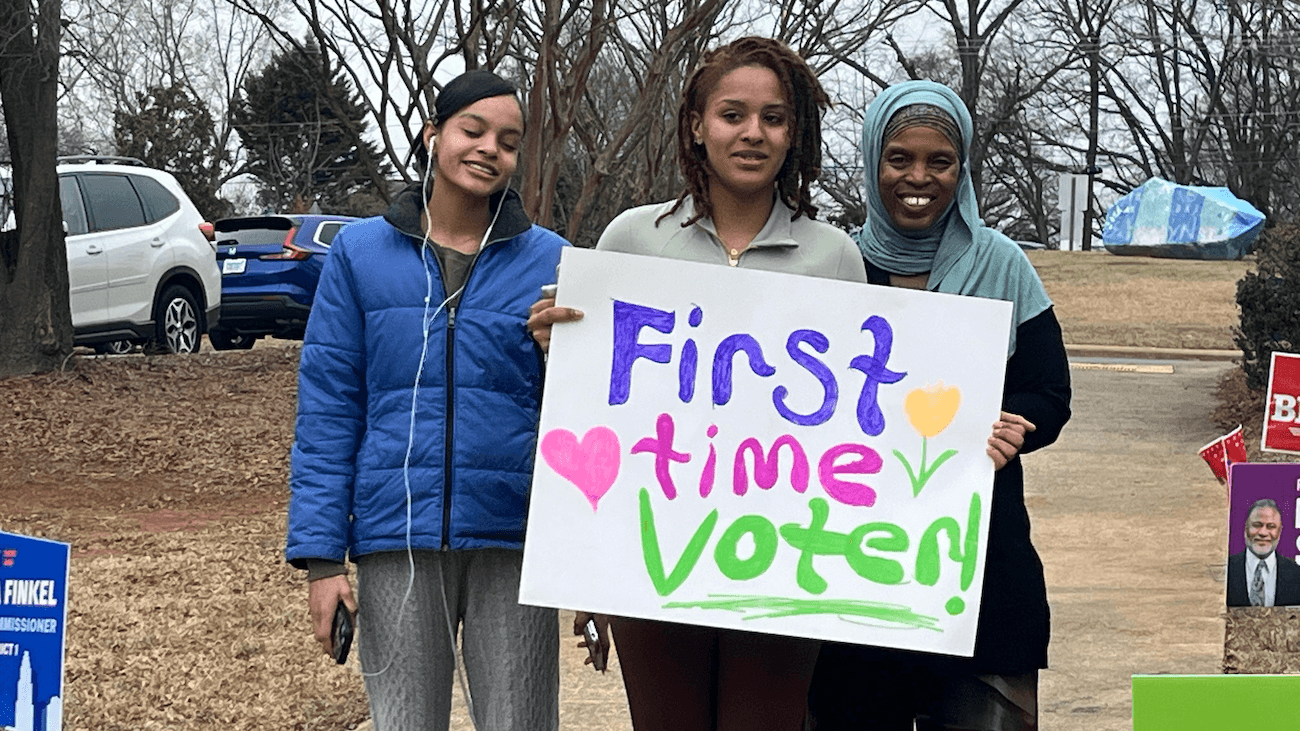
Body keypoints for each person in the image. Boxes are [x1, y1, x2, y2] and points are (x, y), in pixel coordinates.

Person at [527, 37, 867, 731]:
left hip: (788, 557)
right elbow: (595, 408)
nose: (752, 133)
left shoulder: (835, 256)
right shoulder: (630, 239)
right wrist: (556, 349)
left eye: (773, 118)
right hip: (651, 554)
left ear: (793, 132)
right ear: (696, 124)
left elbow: (862, 424)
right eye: (732, 114)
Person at [285, 69, 568, 731]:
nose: (488, 148)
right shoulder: (359, 254)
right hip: (395, 540)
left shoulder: (552, 260)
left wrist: (561, 356)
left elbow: (587, 418)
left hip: (514, 540)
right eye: (473, 130)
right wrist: (323, 561)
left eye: (507, 139)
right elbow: (329, 408)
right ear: (433, 133)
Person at [807, 80, 1072, 731]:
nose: (918, 177)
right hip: (852, 571)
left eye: (940, 161)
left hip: (980, 570)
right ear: (873, 161)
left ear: (963, 166)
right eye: (900, 158)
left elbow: (1049, 390)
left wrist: (1020, 425)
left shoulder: (1003, 265)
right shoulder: (835, 264)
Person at [1227, 498, 1300, 607]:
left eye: (1271, 527)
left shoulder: (1296, 574)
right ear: (1246, 528)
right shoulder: (1225, 570)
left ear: (1279, 532)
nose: (1263, 532)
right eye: (1257, 525)